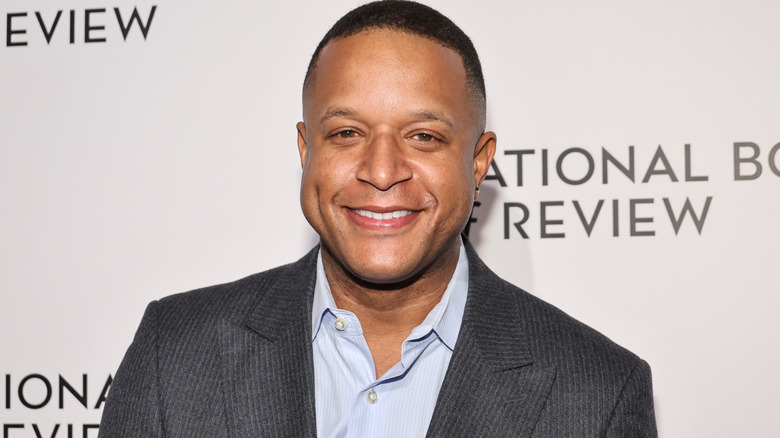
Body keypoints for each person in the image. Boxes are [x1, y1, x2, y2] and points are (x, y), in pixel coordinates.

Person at [99, 1, 657, 436]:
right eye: (347, 133)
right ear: (305, 149)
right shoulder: (173, 354)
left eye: (424, 137)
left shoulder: (597, 392)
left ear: (479, 160)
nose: (382, 171)